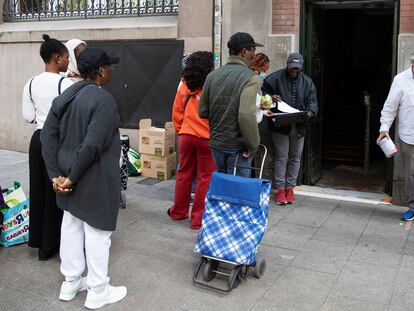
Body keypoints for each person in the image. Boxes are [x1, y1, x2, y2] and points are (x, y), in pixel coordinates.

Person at [40, 47, 127, 309]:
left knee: (72, 225)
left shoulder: (67, 94)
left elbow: (47, 136)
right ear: (101, 71)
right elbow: (92, 145)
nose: (111, 70)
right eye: (109, 66)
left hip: (67, 173)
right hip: (93, 175)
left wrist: (57, 175)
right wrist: (71, 177)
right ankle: (98, 288)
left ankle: (71, 282)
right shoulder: (103, 100)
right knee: (98, 231)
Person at [22, 34, 72, 261]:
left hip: (38, 139)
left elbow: (27, 116)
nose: (68, 62)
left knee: (38, 189)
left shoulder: (31, 83)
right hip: (58, 140)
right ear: (57, 57)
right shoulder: (65, 84)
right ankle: (54, 243)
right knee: (58, 191)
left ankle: (39, 242)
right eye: (66, 57)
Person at [199, 32, 262, 177]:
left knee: (223, 190)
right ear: (244, 51)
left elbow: (202, 111)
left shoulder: (212, 76)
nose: (255, 54)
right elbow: (246, 115)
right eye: (253, 50)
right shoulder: (252, 78)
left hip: (217, 144)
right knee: (237, 193)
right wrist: (253, 146)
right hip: (238, 147)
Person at [262, 52, 318, 205]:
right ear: (287, 65)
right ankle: (280, 189)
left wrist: (310, 113)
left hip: (299, 125)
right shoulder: (274, 78)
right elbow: (261, 92)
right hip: (280, 124)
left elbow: (313, 102)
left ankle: (290, 188)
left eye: (297, 68)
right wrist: (271, 97)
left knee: (295, 157)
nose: (294, 70)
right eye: (292, 67)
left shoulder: (307, 82)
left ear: (301, 67)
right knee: (281, 157)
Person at [168, 51, 215, 230]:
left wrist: (182, 131)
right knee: (205, 178)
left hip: (186, 136)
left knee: (183, 174)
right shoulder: (211, 85)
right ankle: (197, 220)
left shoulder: (184, 85)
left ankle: (178, 212)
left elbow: (176, 112)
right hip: (206, 138)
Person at [377, 52, 414, 221]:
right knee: (411, 174)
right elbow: (390, 106)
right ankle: (412, 207)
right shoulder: (401, 79)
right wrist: (384, 128)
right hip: (409, 136)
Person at [251, 52, 271, 123]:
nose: (264, 73)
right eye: (264, 70)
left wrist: (265, 111)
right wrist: (260, 105)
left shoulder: (258, 80)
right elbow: (248, 101)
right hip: (250, 121)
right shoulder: (251, 79)